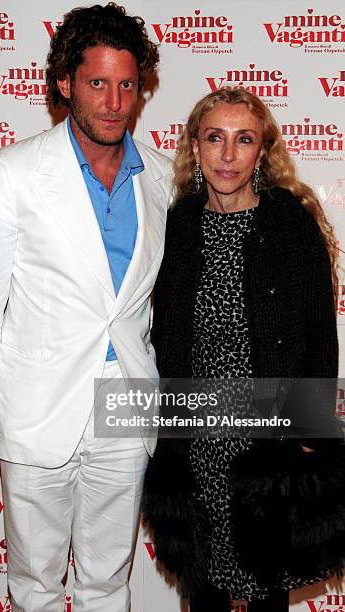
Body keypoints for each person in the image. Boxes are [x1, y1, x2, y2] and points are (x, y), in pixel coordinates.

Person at [0, 4, 172, 610]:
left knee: (109, 580)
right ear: (64, 84)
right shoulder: (13, 173)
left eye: (126, 85)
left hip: (125, 404)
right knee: (34, 585)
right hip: (36, 407)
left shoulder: (160, 178)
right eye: (97, 83)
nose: (113, 102)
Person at [142, 88, 341, 611]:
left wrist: (311, 428)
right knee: (203, 584)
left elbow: (321, 334)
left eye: (244, 139)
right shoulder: (177, 224)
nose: (228, 155)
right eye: (215, 138)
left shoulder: (290, 223)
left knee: (266, 581)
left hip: (266, 435)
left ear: (262, 151)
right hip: (195, 433)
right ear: (195, 146)